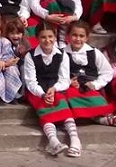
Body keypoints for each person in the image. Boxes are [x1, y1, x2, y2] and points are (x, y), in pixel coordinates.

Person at [21, 22, 81, 157]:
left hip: (56, 88)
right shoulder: (31, 56)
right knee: (44, 105)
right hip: (37, 91)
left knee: (60, 101)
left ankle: (75, 139)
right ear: (37, 38)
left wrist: (54, 89)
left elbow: (64, 79)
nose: (47, 40)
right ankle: (53, 141)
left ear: (55, 37)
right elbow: (30, 81)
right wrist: (42, 94)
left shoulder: (62, 54)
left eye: (50, 36)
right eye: (43, 37)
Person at [62, 21, 116, 131]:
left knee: (93, 97)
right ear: (68, 36)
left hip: (90, 87)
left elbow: (107, 72)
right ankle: (99, 118)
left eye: (81, 36)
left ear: (87, 37)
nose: (78, 39)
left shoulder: (94, 53)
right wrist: (69, 81)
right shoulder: (62, 54)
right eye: (74, 35)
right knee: (70, 94)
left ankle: (100, 116)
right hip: (72, 88)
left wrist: (96, 84)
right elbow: (58, 73)